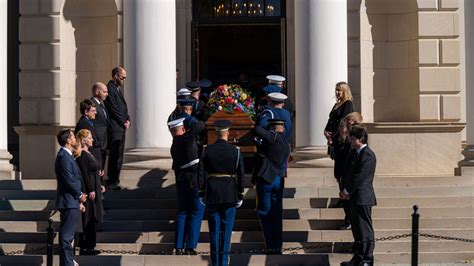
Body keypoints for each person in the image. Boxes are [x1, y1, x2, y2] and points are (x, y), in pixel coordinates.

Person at [200, 120, 245, 266]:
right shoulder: (236, 151)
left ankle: (215, 263)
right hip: (230, 193)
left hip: (212, 192)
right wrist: (240, 194)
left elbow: (201, 172)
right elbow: (241, 175)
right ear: (228, 132)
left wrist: (201, 192)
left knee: (214, 231)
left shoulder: (207, 150)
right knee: (226, 232)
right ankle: (224, 263)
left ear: (216, 133)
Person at [168, 117, 206, 255]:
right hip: (194, 181)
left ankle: (178, 246)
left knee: (182, 213)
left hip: (181, 181)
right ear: (183, 129)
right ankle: (190, 246)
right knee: (196, 212)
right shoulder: (187, 139)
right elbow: (200, 124)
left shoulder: (174, 145)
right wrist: (189, 118)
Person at [252, 119, 291, 254]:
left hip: (267, 179)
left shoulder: (273, 137)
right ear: (283, 128)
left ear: (273, 129)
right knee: (276, 214)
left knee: (265, 212)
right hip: (279, 180)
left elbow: (257, 129)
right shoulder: (286, 142)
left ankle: (270, 245)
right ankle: (277, 245)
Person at [340, 126, 377, 266]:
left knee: (364, 229)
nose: (350, 140)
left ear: (360, 139)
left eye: (352, 138)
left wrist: (347, 191)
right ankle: (358, 256)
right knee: (356, 229)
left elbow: (361, 177)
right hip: (353, 197)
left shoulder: (367, 154)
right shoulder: (354, 153)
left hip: (362, 197)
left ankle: (367, 258)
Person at [55, 129, 87, 266]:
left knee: (68, 237)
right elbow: (69, 179)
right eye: (73, 136)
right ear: (68, 140)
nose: (75, 138)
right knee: (67, 237)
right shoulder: (63, 156)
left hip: (71, 201)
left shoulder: (67, 156)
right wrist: (80, 195)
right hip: (68, 201)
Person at [75, 129, 105, 255]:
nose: (92, 139)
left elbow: (93, 170)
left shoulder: (89, 152)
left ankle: (91, 245)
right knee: (88, 217)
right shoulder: (82, 155)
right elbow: (85, 174)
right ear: (83, 140)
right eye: (90, 137)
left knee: (93, 217)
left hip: (95, 186)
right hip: (88, 190)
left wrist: (99, 182)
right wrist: (91, 189)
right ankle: (85, 246)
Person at [334, 112, 363, 230]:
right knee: (345, 201)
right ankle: (348, 220)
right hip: (342, 173)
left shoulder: (358, 137)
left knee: (349, 201)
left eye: (349, 121)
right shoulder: (345, 136)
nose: (347, 123)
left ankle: (350, 221)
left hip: (349, 174)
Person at [104, 67, 130, 190]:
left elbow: (123, 107)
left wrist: (128, 119)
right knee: (115, 155)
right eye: (122, 77)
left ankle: (116, 179)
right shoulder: (110, 88)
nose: (123, 80)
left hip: (120, 126)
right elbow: (113, 109)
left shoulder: (117, 89)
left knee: (119, 154)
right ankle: (112, 180)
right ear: (115, 76)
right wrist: (123, 121)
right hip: (115, 127)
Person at [324, 82, 354, 159]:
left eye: (339, 90)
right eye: (336, 90)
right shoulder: (336, 104)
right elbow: (331, 119)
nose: (336, 92)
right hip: (333, 138)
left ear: (345, 91)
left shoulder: (348, 104)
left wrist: (332, 136)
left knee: (341, 163)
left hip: (341, 138)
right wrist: (326, 131)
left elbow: (343, 122)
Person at [75, 99, 102, 167]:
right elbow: (88, 145)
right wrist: (96, 162)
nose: (96, 112)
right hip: (91, 160)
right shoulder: (83, 124)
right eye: (93, 111)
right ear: (86, 112)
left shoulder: (89, 122)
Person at [91, 82, 109, 171]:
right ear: (97, 92)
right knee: (97, 169)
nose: (107, 94)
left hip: (103, 143)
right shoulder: (92, 104)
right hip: (97, 143)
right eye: (104, 92)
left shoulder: (102, 104)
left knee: (101, 169)